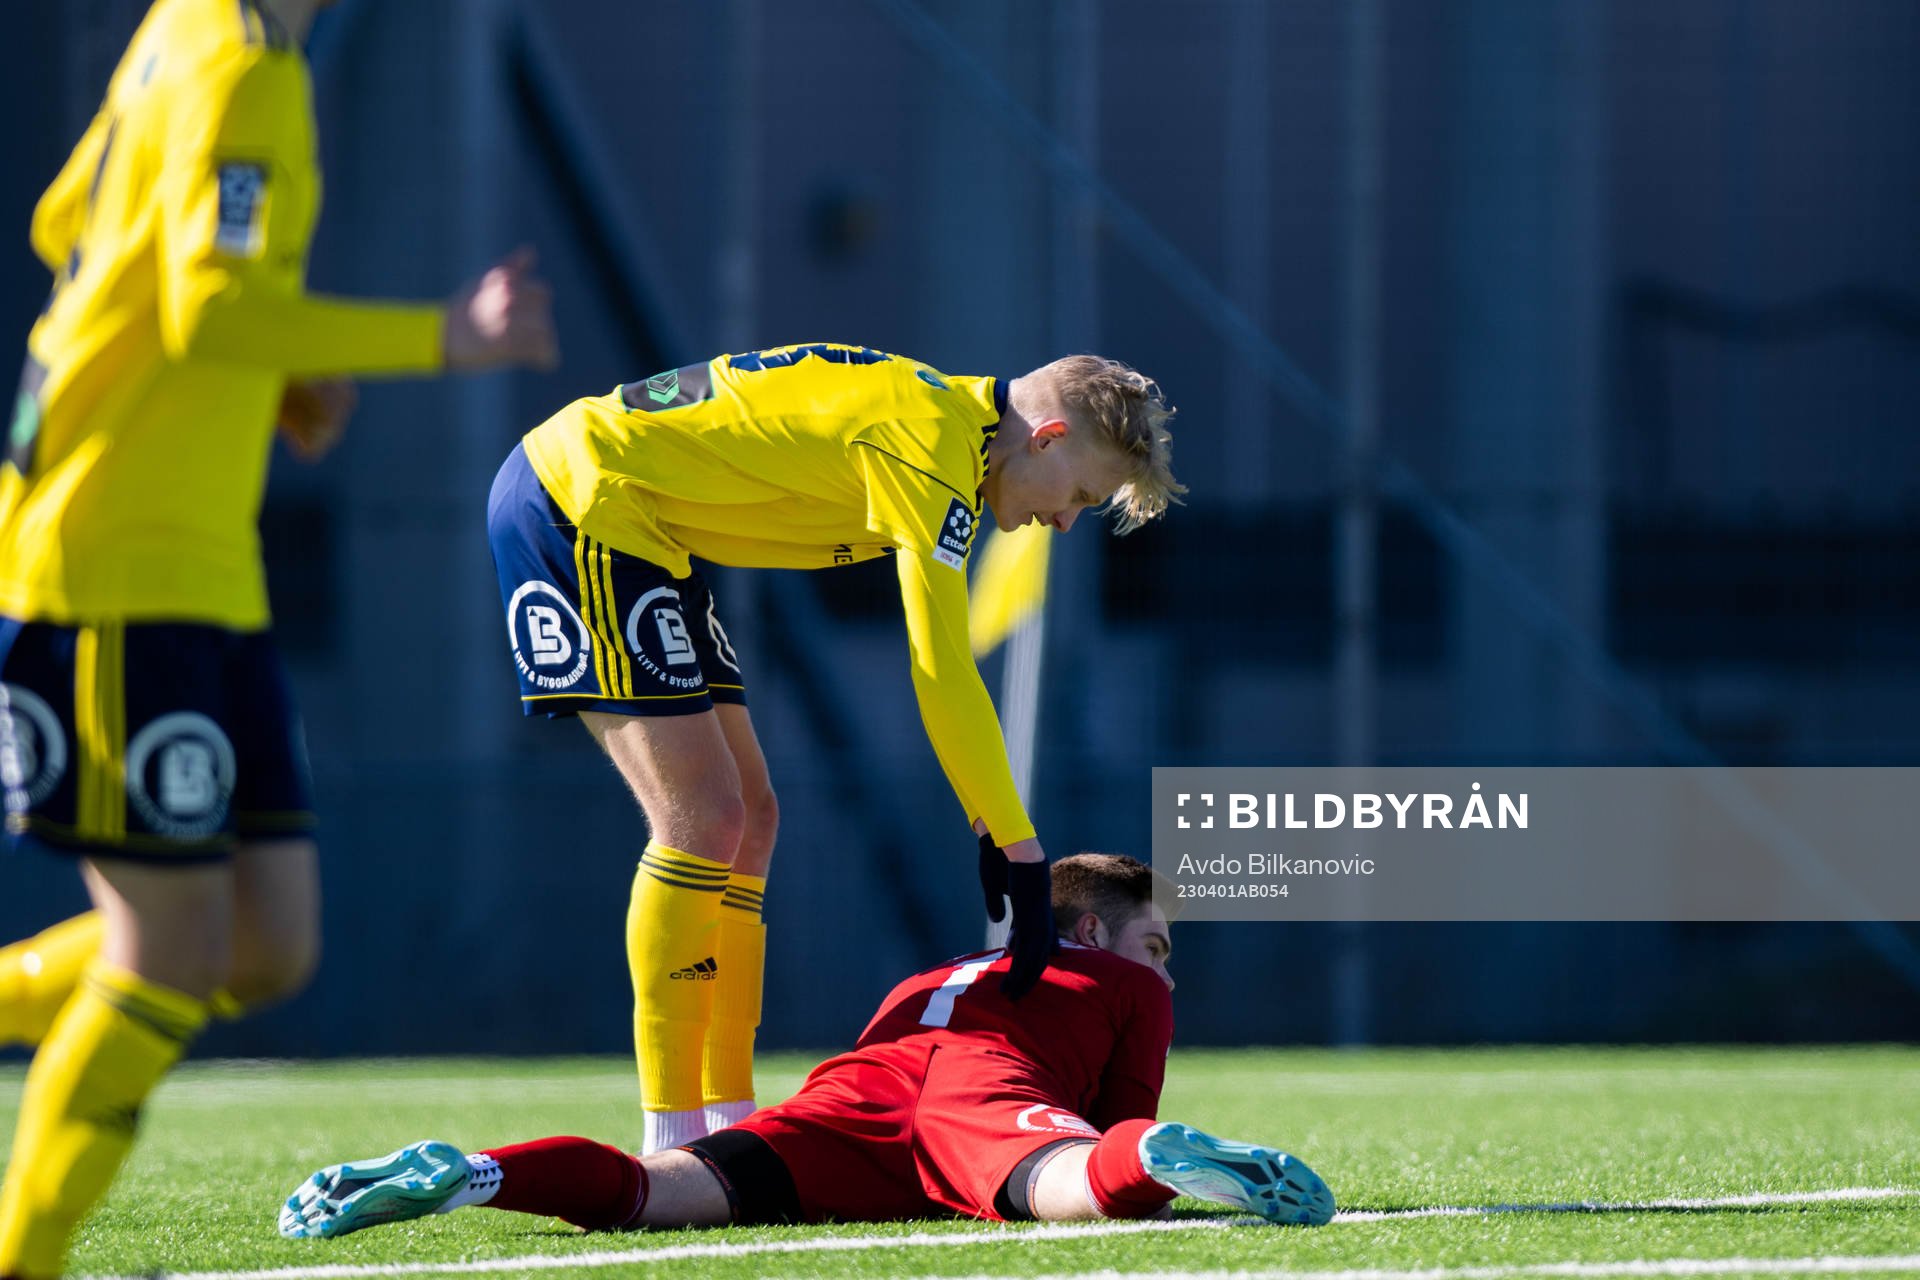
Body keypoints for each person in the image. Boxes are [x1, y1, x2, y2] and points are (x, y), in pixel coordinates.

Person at [0, 0, 558, 1276]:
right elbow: (206, 308)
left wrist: (270, 370)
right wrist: (444, 337)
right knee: (173, 950)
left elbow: (72, 221)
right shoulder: (241, 64)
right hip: (118, 559)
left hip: (200, 570)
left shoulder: (192, 32)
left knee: (265, 944)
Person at [488, 343, 1181, 1152]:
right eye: (1081, 497)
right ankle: (670, 1139)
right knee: (703, 820)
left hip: (643, 524)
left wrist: (993, 827)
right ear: (1049, 436)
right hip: (580, 497)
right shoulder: (931, 444)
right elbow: (941, 668)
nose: (1064, 521)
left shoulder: (948, 425)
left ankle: (730, 1120)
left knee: (752, 819)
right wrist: (1018, 848)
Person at [279, 854, 1334, 1234]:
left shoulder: (928, 972)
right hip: (981, 1090)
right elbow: (1110, 1112)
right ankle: (1165, 1172)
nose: (1166, 970)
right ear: (1095, 932)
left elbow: (894, 1070)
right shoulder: (1118, 980)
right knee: (1071, 1174)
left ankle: (475, 1172)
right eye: (1157, 943)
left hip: (855, 1090)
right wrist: (1121, 1148)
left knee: (660, 1188)